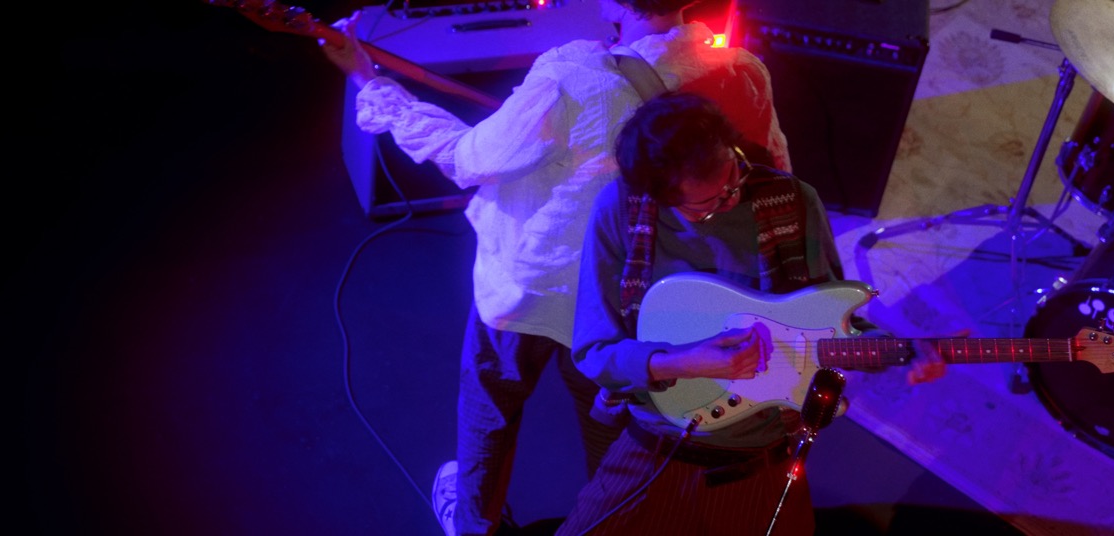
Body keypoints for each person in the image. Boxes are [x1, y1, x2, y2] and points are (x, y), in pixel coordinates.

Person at [318, 2, 790, 535]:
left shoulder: (572, 76)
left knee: (492, 405)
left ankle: (476, 523)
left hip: (536, 289)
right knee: (611, 430)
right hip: (633, 303)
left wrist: (367, 79)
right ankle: (614, 519)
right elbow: (771, 176)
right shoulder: (743, 74)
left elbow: (466, 158)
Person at [559, 92, 947, 535]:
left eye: (733, 175)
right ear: (658, 197)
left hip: (760, 457)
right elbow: (594, 352)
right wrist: (684, 362)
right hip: (655, 445)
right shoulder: (620, 212)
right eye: (705, 203)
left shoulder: (792, 201)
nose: (729, 199)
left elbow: (835, 324)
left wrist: (897, 352)